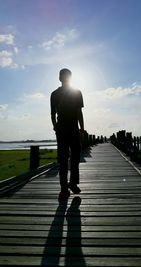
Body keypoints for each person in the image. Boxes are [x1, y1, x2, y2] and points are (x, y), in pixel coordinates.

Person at [50, 68, 84, 199]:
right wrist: (82, 129)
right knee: (74, 158)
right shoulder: (77, 92)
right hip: (72, 129)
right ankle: (71, 184)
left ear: (59, 78)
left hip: (63, 129)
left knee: (64, 160)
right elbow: (79, 112)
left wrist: (55, 127)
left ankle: (65, 188)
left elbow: (53, 114)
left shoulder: (54, 94)